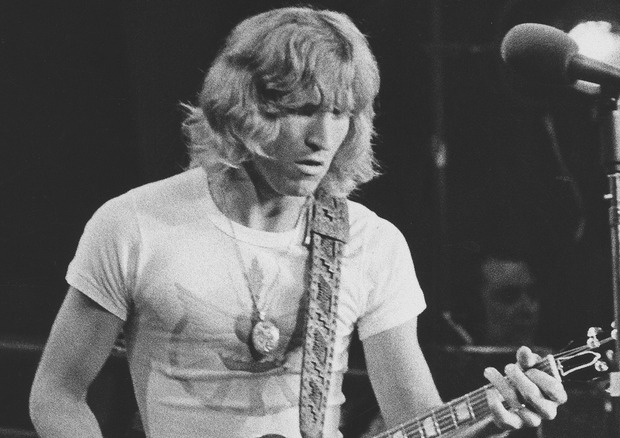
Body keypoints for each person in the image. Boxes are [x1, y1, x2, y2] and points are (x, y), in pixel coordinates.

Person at [28, 7, 566, 438]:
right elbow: (55, 393)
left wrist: (493, 419)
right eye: (304, 108)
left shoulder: (372, 244)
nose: (323, 137)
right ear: (243, 109)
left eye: (340, 112)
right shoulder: (135, 224)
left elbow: (415, 422)